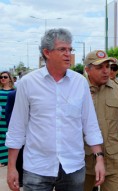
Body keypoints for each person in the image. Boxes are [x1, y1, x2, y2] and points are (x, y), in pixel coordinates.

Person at [5, 28, 105, 191]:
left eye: (70, 49)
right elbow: (17, 128)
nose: (68, 54)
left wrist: (99, 158)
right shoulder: (28, 83)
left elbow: (90, 124)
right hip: (37, 168)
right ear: (47, 52)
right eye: (62, 49)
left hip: (73, 167)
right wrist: (11, 167)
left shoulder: (80, 83)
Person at [84, 50, 118, 191]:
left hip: (113, 162)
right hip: (84, 163)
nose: (106, 71)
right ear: (87, 70)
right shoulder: (77, 90)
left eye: (108, 66)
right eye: (99, 67)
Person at [0, 71, 15, 167]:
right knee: (1, 138)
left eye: (5, 77)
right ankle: (2, 160)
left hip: (11, 118)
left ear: (10, 78)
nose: (3, 79)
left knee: (10, 138)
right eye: (1, 77)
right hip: (1, 118)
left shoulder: (14, 91)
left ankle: (10, 160)